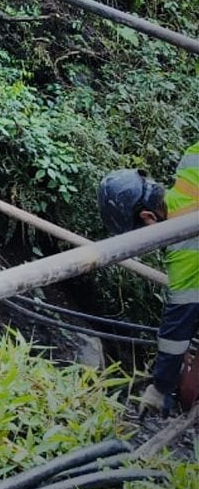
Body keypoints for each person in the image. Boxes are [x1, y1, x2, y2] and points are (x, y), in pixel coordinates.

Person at [98, 144, 199, 414]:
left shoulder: (184, 251)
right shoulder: (190, 163)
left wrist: (161, 387)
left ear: (148, 218)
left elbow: (178, 327)